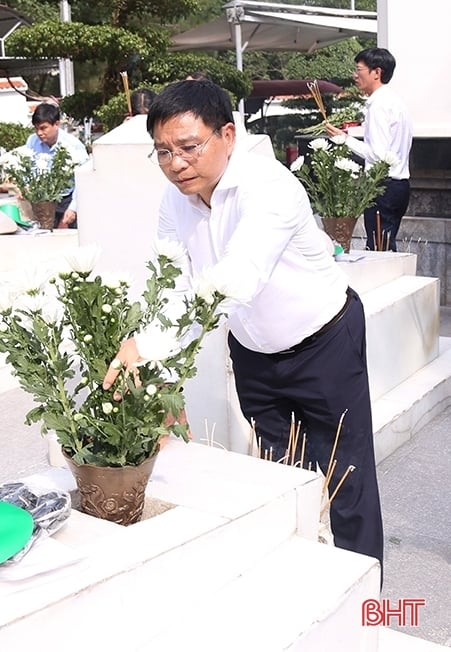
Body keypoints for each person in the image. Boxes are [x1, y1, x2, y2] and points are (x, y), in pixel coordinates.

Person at [103, 81, 384, 570]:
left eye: (189, 147)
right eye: (163, 152)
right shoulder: (175, 202)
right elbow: (172, 286)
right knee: (278, 477)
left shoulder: (269, 186)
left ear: (227, 135)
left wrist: (148, 345)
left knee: (347, 475)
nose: (176, 164)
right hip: (254, 353)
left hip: (323, 343)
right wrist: (160, 374)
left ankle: (365, 603)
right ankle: (301, 585)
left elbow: (236, 277)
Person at [326, 48, 412, 252]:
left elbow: (378, 155)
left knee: (379, 250)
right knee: (385, 247)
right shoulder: (395, 102)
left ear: (377, 72)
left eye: (359, 69)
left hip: (383, 186)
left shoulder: (379, 105)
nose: (355, 75)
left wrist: (344, 139)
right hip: (399, 185)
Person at [24, 102, 90, 229]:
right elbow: (29, 168)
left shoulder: (74, 146)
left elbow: (83, 181)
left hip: (67, 200)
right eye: (36, 128)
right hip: (43, 201)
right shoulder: (32, 141)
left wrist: (73, 208)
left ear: (56, 124)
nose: (39, 133)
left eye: (43, 128)